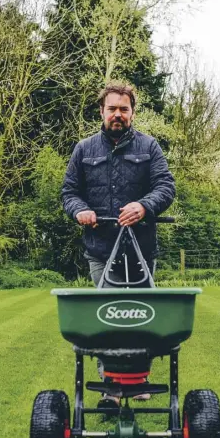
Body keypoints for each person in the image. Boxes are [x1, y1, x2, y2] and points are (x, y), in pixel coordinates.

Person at [62, 82, 175, 406]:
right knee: (107, 318)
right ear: (102, 111)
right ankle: (111, 389)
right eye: (112, 108)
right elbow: (69, 193)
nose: (117, 114)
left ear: (132, 113)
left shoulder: (149, 146)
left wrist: (144, 206)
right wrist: (80, 210)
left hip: (141, 249)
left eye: (123, 109)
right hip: (101, 249)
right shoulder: (84, 150)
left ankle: (138, 382)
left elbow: (165, 186)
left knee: (141, 317)